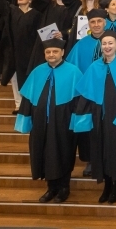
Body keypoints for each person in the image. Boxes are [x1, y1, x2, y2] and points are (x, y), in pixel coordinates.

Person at [71, 31, 116, 204]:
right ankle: (107, 184)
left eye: (110, 43)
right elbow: (86, 94)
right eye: (104, 44)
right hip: (99, 115)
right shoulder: (94, 67)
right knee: (101, 150)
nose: (107, 47)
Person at [14, 38, 82, 204]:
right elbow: (28, 99)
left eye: (55, 52)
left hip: (64, 124)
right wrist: (25, 121)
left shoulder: (73, 72)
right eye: (48, 52)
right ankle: (51, 188)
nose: (51, 55)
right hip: (40, 124)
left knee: (63, 153)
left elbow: (80, 102)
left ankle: (64, 188)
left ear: (62, 52)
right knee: (43, 153)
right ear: (44, 54)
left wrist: (77, 123)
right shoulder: (37, 72)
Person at [65, 9, 108, 73]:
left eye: (99, 21)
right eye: (92, 22)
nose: (96, 25)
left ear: (105, 23)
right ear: (88, 24)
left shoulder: (113, 42)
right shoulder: (81, 44)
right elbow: (71, 68)